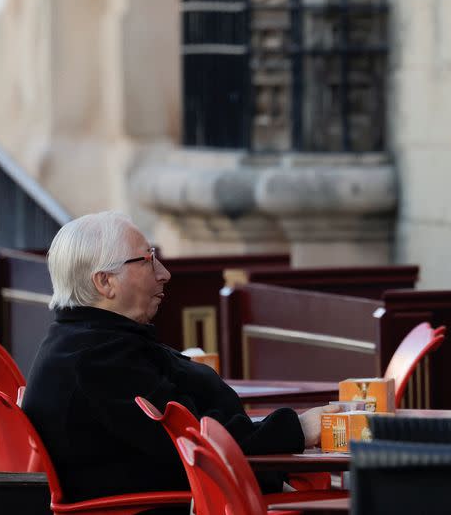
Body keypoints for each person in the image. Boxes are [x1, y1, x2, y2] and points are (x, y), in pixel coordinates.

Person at [22, 211, 336, 509]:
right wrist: (297, 429)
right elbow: (196, 446)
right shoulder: (96, 360)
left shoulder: (89, 341)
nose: (164, 273)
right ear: (105, 282)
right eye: (147, 260)